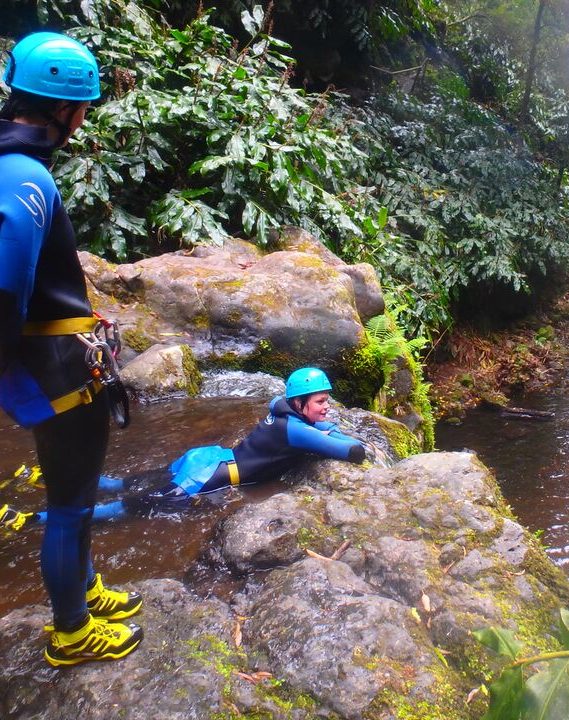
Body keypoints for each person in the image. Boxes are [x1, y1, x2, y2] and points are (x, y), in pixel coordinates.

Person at [0, 32, 142, 667]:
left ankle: (82, 590)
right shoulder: (25, 179)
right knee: (71, 500)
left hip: (45, 359)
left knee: (73, 490)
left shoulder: (10, 164)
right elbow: (4, 287)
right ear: (64, 109)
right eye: (82, 106)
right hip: (52, 368)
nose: (84, 118)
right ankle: (71, 631)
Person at [1, 368, 366, 526]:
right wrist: (335, 433)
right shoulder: (298, 431)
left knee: (119, 483)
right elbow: (353, 452)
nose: (327, 407)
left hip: (206, 456)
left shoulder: (281, 408)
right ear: (300, 403)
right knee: (126, 509)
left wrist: (326, 423)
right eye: (321, 401)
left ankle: (41, 478)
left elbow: (318, 428)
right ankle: (30, 520)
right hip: (208, 477)